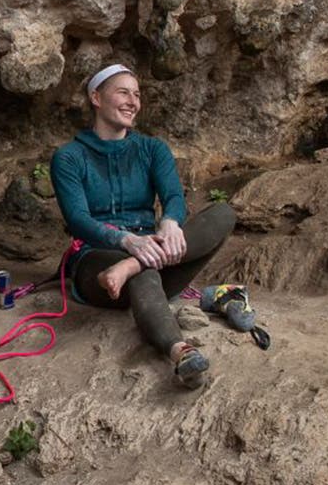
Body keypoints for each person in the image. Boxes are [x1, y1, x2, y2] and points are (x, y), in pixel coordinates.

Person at [49, 63, 236, 388]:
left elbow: (174, 196)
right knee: (145, 268)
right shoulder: (69, 157)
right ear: (96, 97)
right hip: (97, 263)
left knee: (223, 213)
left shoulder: (152, 149)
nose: (133, 101)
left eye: (137, 94)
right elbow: (78, 221)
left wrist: (170, 222)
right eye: (123, 92)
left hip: (154, 255)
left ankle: (132, 267)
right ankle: (181, 352)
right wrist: (126, 242)